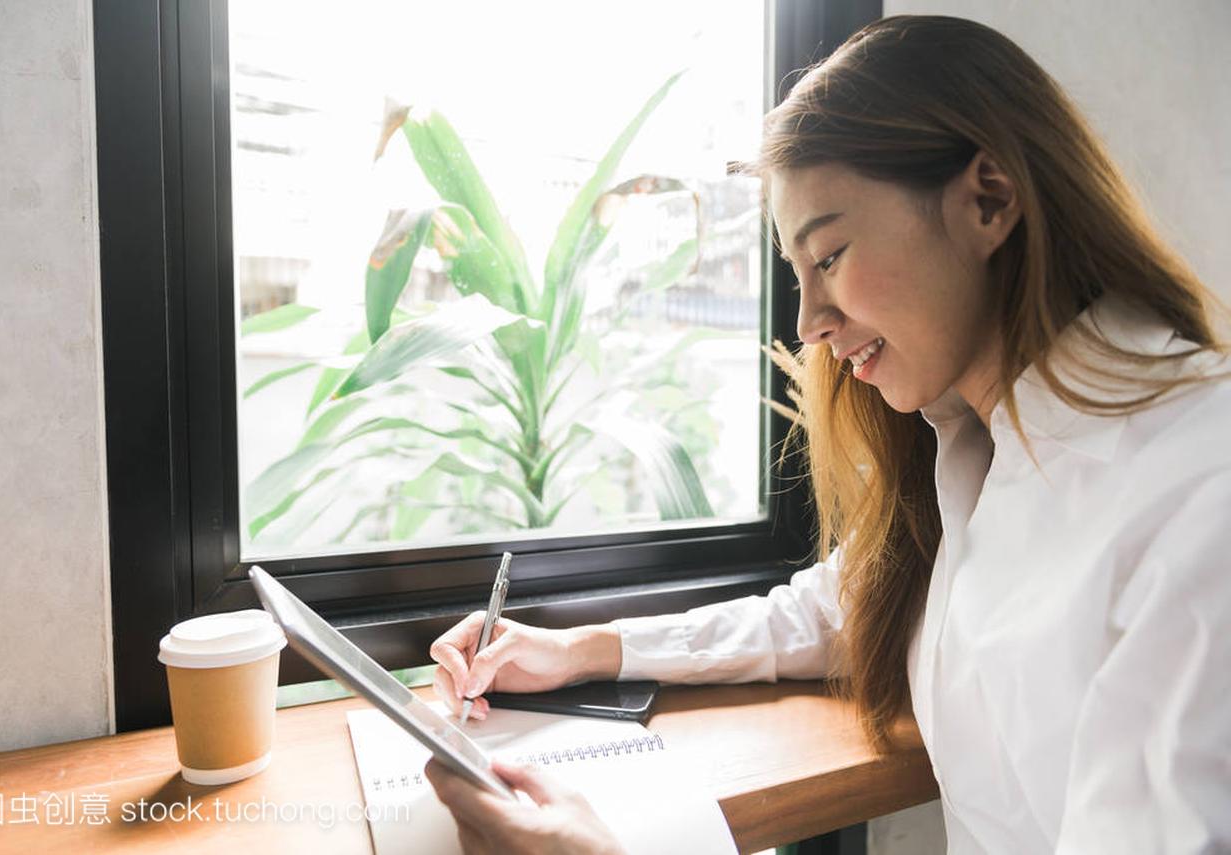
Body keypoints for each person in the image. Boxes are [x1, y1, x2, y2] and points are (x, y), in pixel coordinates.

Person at [422, 15, 1231, 854]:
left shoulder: (1196, 496)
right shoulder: (973, 446)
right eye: (797, 274)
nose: (809, 322)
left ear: (988, 200)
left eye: (831, 255)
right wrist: (581, 649)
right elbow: (834, 612)